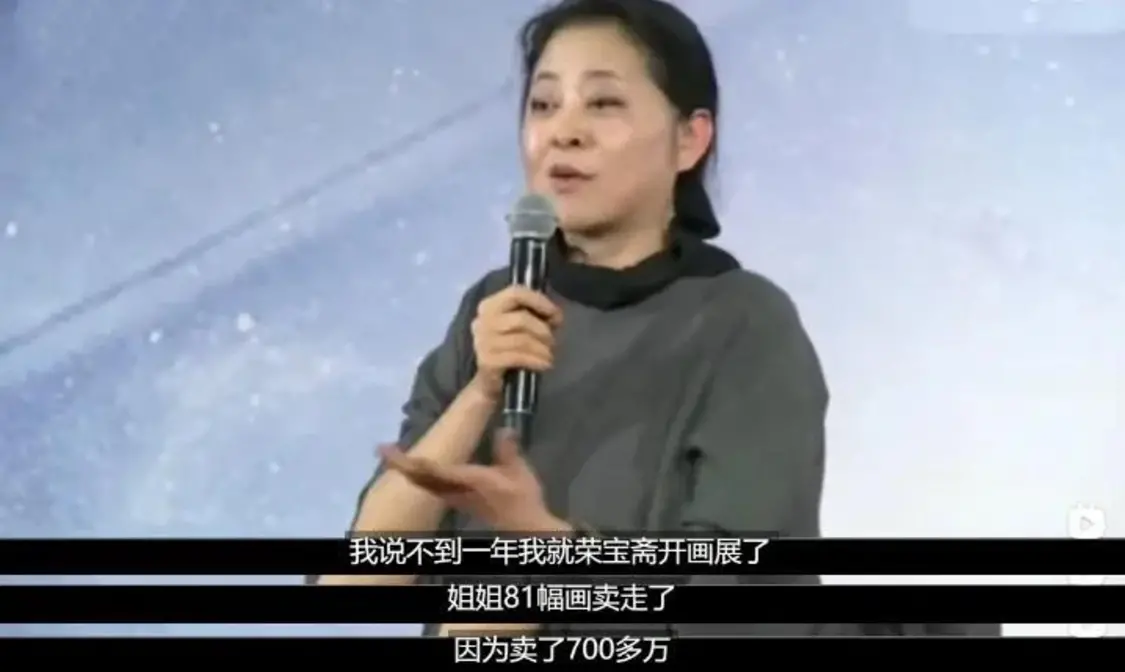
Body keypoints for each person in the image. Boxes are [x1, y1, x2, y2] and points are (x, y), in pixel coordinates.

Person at [318, 0, 998, 638]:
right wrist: (480, 391)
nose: (564, 131)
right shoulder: (492, 310)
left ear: (689, 139)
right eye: (543, 104)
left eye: (604, 102)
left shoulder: (742, 321)